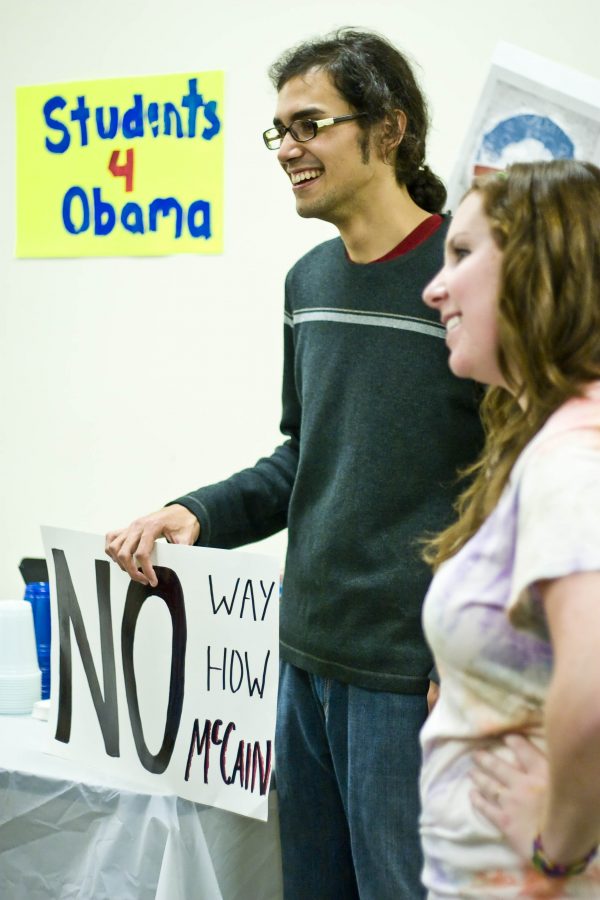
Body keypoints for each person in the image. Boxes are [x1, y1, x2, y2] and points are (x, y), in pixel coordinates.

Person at [106, 28, 483, 899]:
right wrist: (193, 514)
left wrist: (477, 654)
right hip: (303, 659)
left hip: (413, 676)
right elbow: (303, 458)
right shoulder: (307, 280)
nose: (286, 149)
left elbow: (519, 480)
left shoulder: (465, 275)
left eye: (308, 125)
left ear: (388, 132)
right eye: (277, 130)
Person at [420, 158, 600, 898]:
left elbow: (592, 696)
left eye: (462, 254)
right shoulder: (556, 437)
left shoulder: (572, 458)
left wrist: (557, 852)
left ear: (538, 265)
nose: (434, 289)